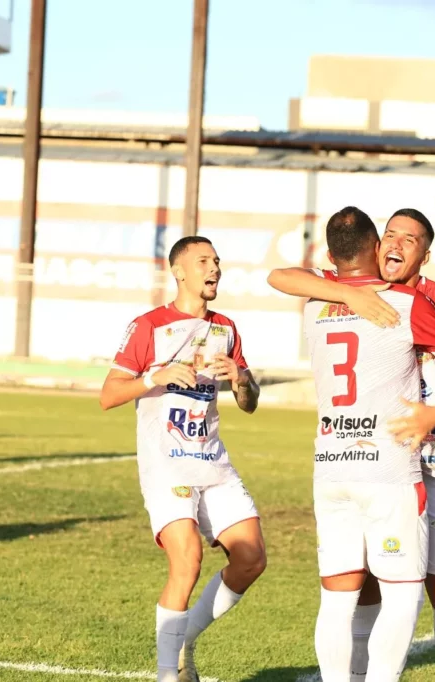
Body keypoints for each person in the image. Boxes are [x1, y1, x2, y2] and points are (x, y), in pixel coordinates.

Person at [269, 208, 435, 681]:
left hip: (356, 466)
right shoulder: (402, 305)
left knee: (355, 597)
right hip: (390, 470)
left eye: (408, 239)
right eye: (389, 234)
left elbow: (279, 276)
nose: (396, 244)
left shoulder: (318, 300)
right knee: (393, 592)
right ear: (375, 247)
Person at [100, 236, 267, 682]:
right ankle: (166, 676)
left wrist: (241, 380)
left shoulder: (226, 328)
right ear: (178, 272)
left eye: (216, 261)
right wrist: (155, 377)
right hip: (167, 465)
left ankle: (185, 640)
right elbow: (108, 394)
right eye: (203, 261)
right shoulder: (148, 326)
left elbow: (249, 402)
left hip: (212, 463)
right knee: (188, 559)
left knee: (251, 559)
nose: (214, 268)